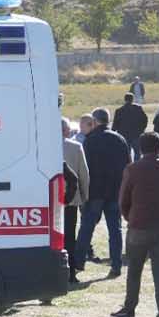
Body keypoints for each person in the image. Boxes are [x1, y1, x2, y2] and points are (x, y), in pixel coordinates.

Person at [111, 133, 159, 317]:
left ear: (140, 149)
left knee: (134, 272)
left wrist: (130, 217)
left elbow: (123, 199)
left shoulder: (133, 169)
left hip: (138, 226)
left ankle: (129, 309)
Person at [75, 108, 130, 278]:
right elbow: (128, 165)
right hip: (115, 191)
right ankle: (116, 264)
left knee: (86, 229)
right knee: (115, 229)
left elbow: (84, 169)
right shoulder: (120, 139)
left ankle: (78, 264)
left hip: (95, 192)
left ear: (95, 121)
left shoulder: (90, 140)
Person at [62, 119, 90, 284]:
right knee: (69, 237)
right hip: (71, 200)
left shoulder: (42, 146)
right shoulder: (75, 147)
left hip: (49, 201)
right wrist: (84, 196)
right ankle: (71, 272)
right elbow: (83, 174)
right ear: (66, 131)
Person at [112, 92, 148, 160]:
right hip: (136, 134)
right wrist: (142, 129)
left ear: (124, 99)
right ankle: (137, 167)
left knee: (126, 153)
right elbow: (145, 119)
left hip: (124, 135)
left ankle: (128, 167)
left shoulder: (119, 110)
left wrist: (113, 132)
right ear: (132, 99)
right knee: (137, 153)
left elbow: (115, 124)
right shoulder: (138, 108)